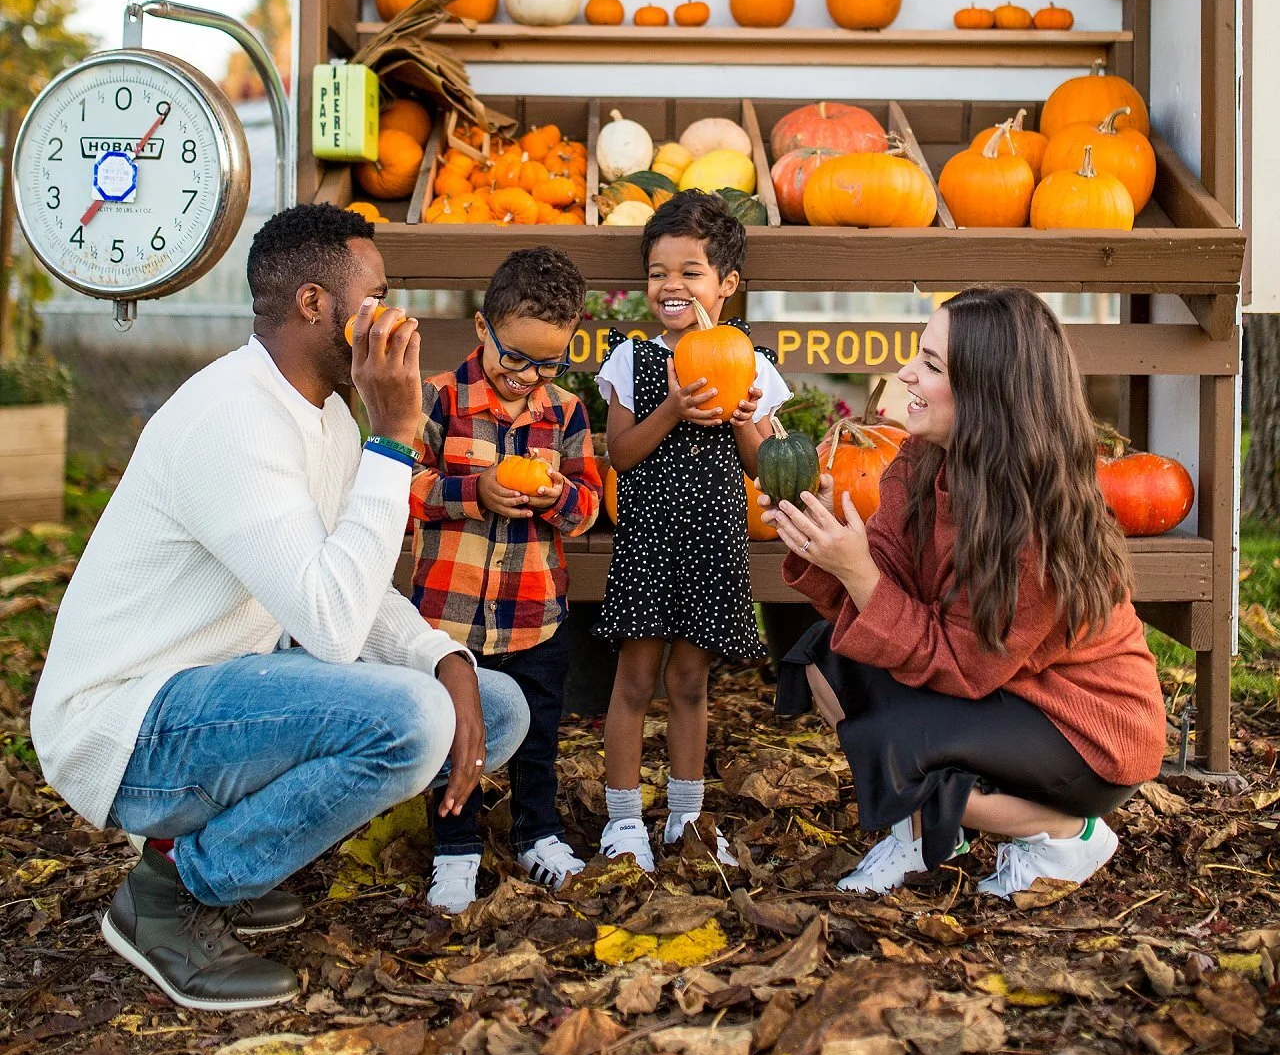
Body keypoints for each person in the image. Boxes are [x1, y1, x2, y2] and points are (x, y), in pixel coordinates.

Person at [29, 204, 529, 1011]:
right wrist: (396, 439)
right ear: (313, 304)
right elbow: (330, 624)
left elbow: (350, 588)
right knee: (412, 721)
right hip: (127, 724)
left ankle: (230, 854)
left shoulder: (325, 414)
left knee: (491, 708)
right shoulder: (233, 417)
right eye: (378, 297)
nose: (394, 321)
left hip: (220, 697)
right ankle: (170, 892)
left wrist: (444, 656)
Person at [766, 285, 1167, 899]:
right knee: (828, 657)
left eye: (930, 365)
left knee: (895, 742)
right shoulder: (920, 462)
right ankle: (928, 834)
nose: (904, 374)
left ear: (987, 391)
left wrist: (857, 572)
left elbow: (959, 664)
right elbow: (890, 592)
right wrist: (824, 543)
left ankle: (1070, 834)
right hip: (1000, 688)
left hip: (1086, 730)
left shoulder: (1036, 528)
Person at [595, 190, 790, 871]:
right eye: (657, 272)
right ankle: (622, 822)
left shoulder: (749, 361)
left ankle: (687, 816)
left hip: (711, 541)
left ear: (727, 285)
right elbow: (620, 454)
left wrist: (742, 413)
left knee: (689, 684)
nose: (671, 286)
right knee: (634, 679)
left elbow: (765, 465)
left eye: (690, 272)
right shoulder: (636, 360)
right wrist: (674, 409)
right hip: (648, 540)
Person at [409, 246, 602, 910]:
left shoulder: (567, 414)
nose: (528, 375)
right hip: (449, 615)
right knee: (452, 733)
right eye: (514, 356)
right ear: (481, 329)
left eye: (548, 361)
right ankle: (455, 847)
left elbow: (588, 506)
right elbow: (404, 486)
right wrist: (473, 492)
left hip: (533, 613)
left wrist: (556, 500)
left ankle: (536, 832)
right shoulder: (438, 399)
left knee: (539, 736)